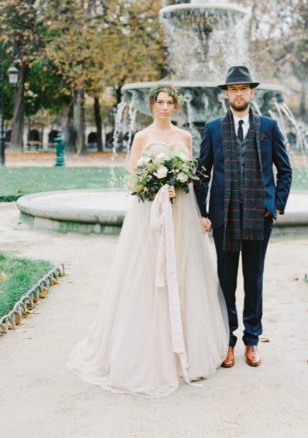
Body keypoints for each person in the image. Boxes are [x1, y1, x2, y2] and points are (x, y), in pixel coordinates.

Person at [67, 84, 228, 397]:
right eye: (161, 102)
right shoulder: (142, 138)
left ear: (175, 107)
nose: (165, 107)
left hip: (179, 215)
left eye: (170, 103)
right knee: (149, 276)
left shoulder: (184, 137)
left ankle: (186, 348)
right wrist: (154, 188)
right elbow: (131, 180)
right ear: (153, 105)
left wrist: (186, 196)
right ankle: (148, 351)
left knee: (182, 272)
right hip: (150, 218)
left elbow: (192, 180)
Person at [195, 66, 292, 368]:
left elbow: (285, 170)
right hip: (224, 218)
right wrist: (203, 212)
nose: (238, 93)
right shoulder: (212, 129)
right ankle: (227, 340)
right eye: (233, 89)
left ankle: (252, 341)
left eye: (243, 88)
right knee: (225, 281)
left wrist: (274, 204)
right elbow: (201, 173)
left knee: (254, 280)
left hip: (258, 216)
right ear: (226, 94)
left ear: (251, 93)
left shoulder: (268, 127)